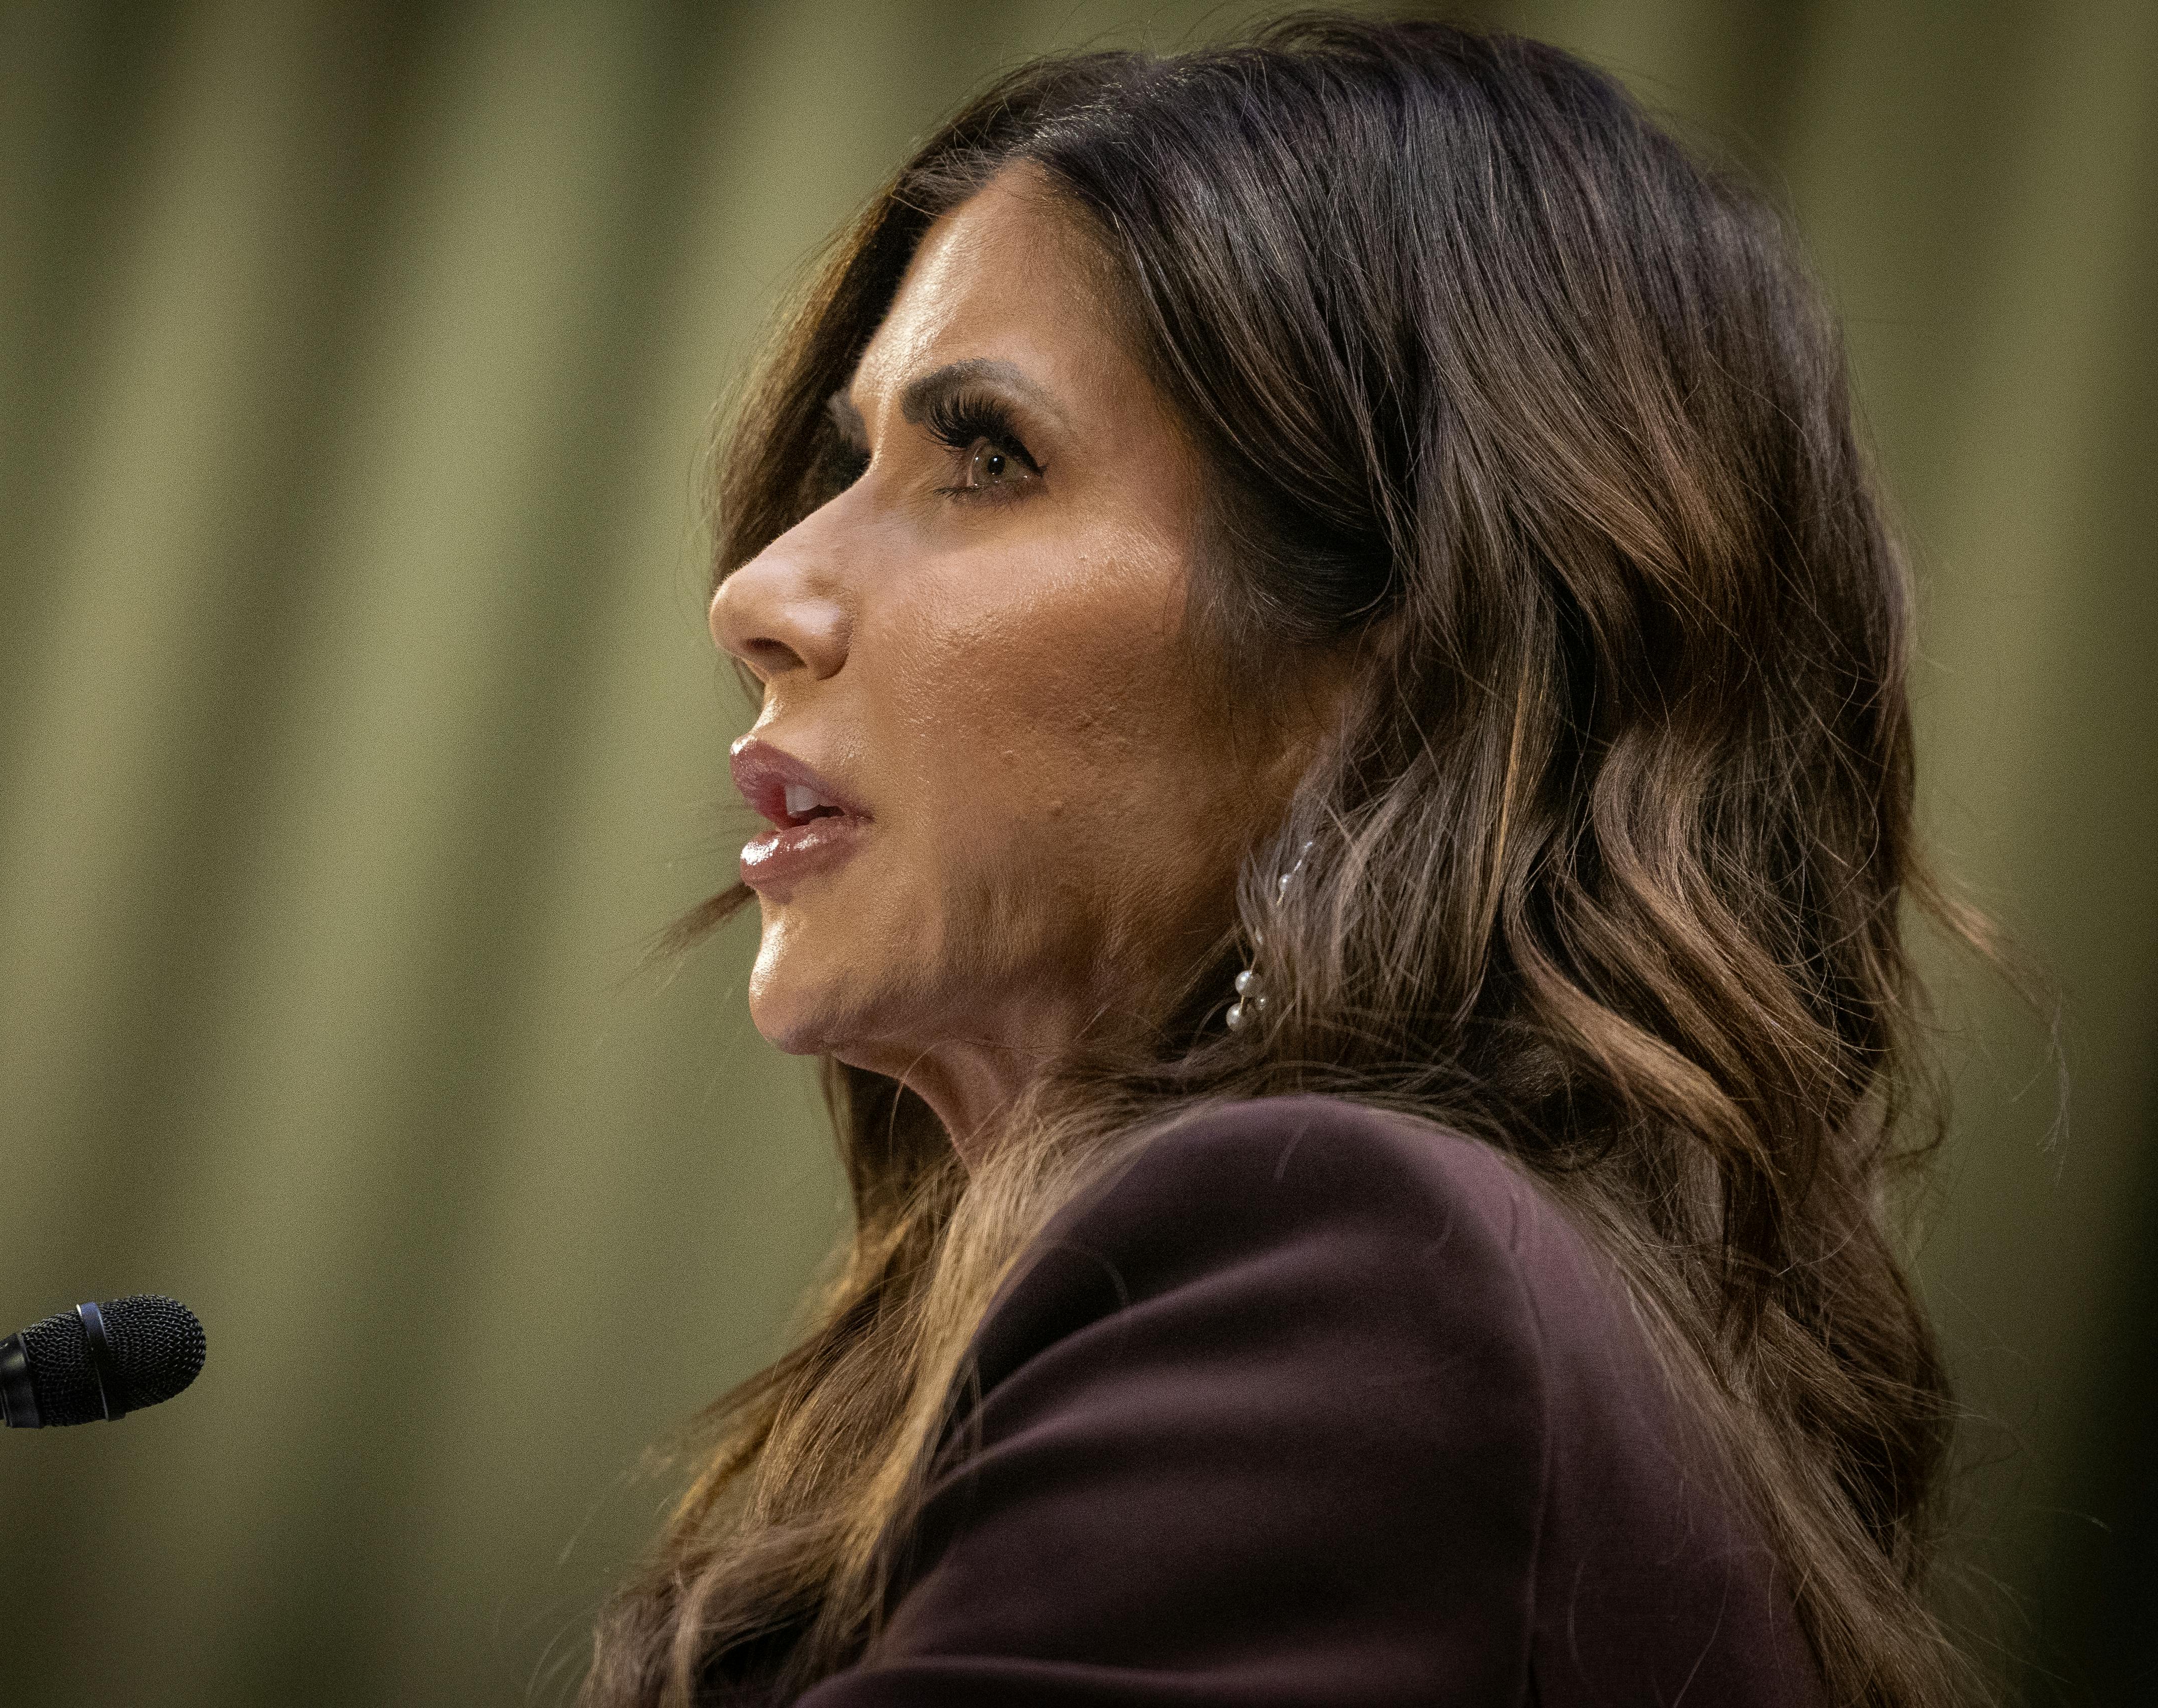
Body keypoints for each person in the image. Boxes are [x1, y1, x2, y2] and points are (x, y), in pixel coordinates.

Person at [586, 14, 1986, 1706]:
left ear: (1396, 657)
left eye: (986, 459)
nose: (760, 593)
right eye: (850, 460)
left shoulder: (1355, 1279)